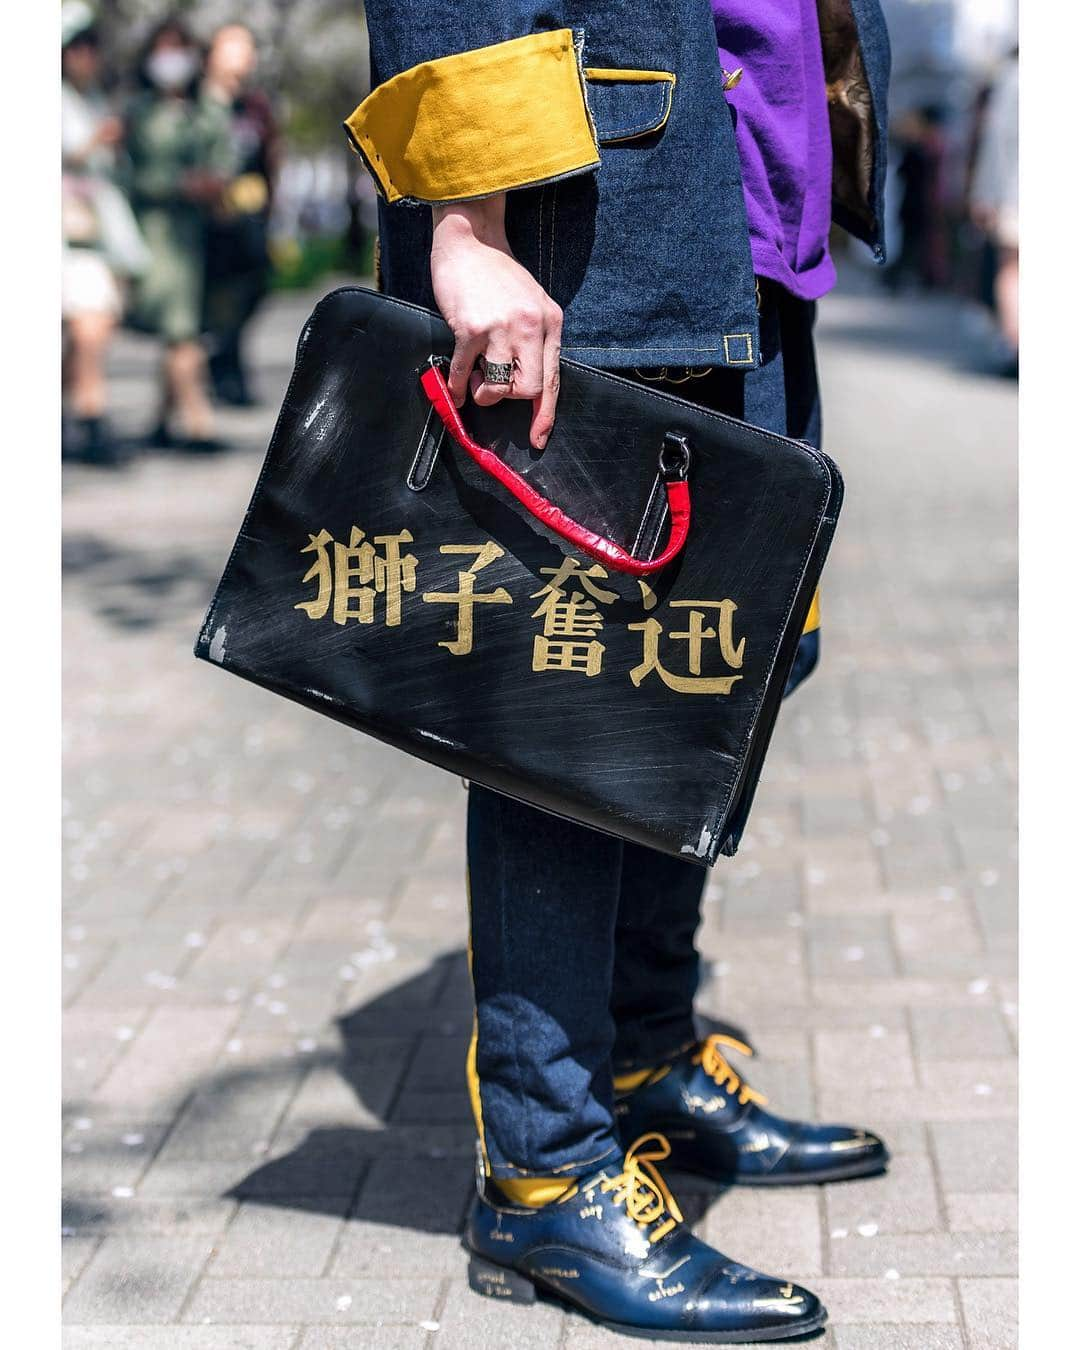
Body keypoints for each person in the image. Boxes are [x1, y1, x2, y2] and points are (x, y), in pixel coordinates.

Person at [347, 2, 891, 1341]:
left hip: (742, 215)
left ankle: (645, 1048)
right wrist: (464, 231)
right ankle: (546, 1167)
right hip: (591, 232)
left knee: (729, 670)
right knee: (574, 716)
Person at [125, 18, 234, 452]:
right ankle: (197, 421)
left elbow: (223, 156)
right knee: (180, 326)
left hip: (199, 233)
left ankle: (161, 421)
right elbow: (129, 176)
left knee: (187, 322)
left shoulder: (203, 110)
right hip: (158, 232)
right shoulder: (137, 112)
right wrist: (177, 184)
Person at [61, 2, 143, 465]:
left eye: (91, 46)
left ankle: (88, 415)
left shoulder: (92, 99)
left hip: (91, 236)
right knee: (85, 328)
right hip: (65, 231)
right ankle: (86, 418)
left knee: (91, 326)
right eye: (77, 46)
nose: (86, 55)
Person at [202, 24, 281, 407]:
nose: (244, 57)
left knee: (252, 290)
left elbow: (270, 155)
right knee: (217, 300)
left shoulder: (255, 105)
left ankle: (226, 361)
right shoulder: (199, 101)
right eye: (234, 48)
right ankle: (220, 371)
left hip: (250, 217)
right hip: (212, 221)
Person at [970, 47, 1019, 374]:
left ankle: (1018, 347)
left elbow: (996, 141)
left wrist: (983, 194)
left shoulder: (1014, 78)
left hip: (1016, 192)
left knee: (1012, 270)